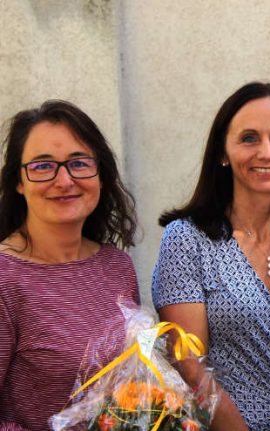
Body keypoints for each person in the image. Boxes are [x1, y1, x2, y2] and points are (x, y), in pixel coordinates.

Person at [151, 82, 270, 431]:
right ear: (223, 153)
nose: (266, 152)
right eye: (249, 138)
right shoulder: (187, 238)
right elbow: (189, 362)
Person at [0, 100, 139, 430]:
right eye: (42, 166)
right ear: (19, 182)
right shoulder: (5, 278)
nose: (64, 181)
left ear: (100, 175)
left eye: (78, 163)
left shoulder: (117, 267)